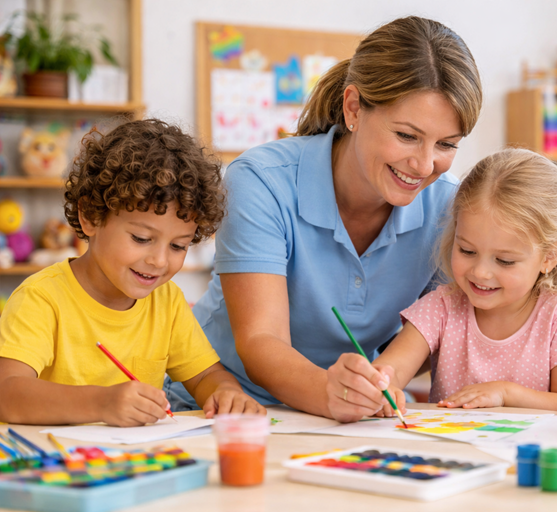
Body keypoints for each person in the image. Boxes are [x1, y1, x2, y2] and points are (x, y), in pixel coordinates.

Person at [165, 16, 483, 423]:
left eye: (446, 145)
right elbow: (261, 339)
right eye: (407, 136)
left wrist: (378, 384)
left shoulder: (449, 207)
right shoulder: (260, 180)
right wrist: (331, 394)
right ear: (354, 108)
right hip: (225, 405)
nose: (423, 165)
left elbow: (432, 330)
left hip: (345, 417)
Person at [0, 119, 264, 426]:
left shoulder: (166, 302)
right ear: (90, 217)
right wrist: (101, 403)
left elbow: (205, 375)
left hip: (138, 454)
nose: (159, 261)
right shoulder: (41, 298)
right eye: (141, 238)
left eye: (178, 246)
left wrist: (227, 393)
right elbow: (7, 394)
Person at [330, 148, 557, 417]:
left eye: (504, 261)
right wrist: (378, 388)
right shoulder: (441, 307)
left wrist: (505, 394)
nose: (481, 272)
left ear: (550, 257)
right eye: (467, 251)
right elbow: (391, 370)